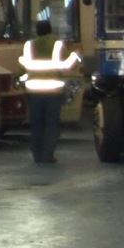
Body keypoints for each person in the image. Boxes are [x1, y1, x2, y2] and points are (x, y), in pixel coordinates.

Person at [20, 11, 80, 165]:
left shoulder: (29, 45)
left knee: (36, 124)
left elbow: (23, 68)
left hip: (34, 91)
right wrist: (76, 56)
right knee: (51, 125)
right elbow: (68, 65)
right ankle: (48, 156)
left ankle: (37, 155)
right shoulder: (58, 45)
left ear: (37, 31)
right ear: (50, 30)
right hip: (53, 91)